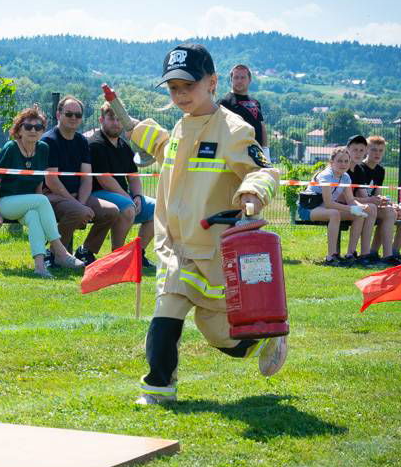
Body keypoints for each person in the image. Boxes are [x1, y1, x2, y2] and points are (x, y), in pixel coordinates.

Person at [110, 43, 286, 405]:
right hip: (175, 248)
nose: (180, 95)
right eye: (174, 88)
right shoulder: (180, 126)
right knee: (166, 313)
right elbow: (164, 147)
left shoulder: (233, 129)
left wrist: (252, 193)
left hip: (214, 251)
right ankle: (158, 388)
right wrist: (130, 125)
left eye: (188, 86)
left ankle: (265, 337)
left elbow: (264, 170)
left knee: (218, 332)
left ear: (212, 82)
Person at [0, 106, 85, 277]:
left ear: (42, 130)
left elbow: (39, 181)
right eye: (28, 127)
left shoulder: (43, 149)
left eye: (38, 127)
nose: (33, 130)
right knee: (41, 201)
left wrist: (42, 211)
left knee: (34, 215)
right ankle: (60, 251)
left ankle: (40, 267)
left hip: (29, 204)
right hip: (5, 203)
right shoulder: (10, 148)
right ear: (19, 129)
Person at [42, 96, 119, 266]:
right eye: (69, 114)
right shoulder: (49, 141)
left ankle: (86, 251)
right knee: (79, 212)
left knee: (112, 211)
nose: (74, 118)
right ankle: (54, 254)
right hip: (52, 197)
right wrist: (78, 205)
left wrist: (81, 202)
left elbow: (86, 178)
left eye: (78, 115)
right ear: (58, 115)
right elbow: (51, 181)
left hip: (77, 197)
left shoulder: (82, 141)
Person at [87, 101, 156, 267]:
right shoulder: (95, 144)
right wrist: (128, 197)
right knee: (127, 207)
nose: (116, 123)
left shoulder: (124, 146)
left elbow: (133, 177)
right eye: (111, 118)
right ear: (101, 120)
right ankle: (118, 258)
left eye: (119, 119)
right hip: (97, 195)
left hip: (121, 196)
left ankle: (138, 254)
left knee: (159, 208)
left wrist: (138, 195)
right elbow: (104, 179)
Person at [297, 147, 373, 266]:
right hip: (309, 208)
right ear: (331, 162)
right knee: (334, 213)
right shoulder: (326, 175)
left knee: (359, 216)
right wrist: (351, 209)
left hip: (326, 209)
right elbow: (329, 203)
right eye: (339, 161)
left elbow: (350, 200)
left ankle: (350, 254)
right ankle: (331, 257)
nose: (343, 164)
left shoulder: (346, 177)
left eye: (346, 161)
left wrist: (362, 207)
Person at [350, 135, 401, 264]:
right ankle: (385, 255)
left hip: (372, 203)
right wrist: (385, 204)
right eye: (374, 150)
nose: (377, 153)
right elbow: (363, 196)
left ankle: (392, 252)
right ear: (367, 150)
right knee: (390, 212)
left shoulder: (380, 170)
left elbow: (378, 194)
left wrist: (388, 202)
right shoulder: (359, 167)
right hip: (361, 204)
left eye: (380, 150)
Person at [217, 64, 268, 161]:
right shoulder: (224, 102)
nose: (239, 81)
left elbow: (262, 127)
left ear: (250, 80)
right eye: (236, 77)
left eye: (243, 77)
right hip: (235, 155)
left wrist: (265, 150)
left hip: (257, 154)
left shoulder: (256, 103)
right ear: (231, 80)